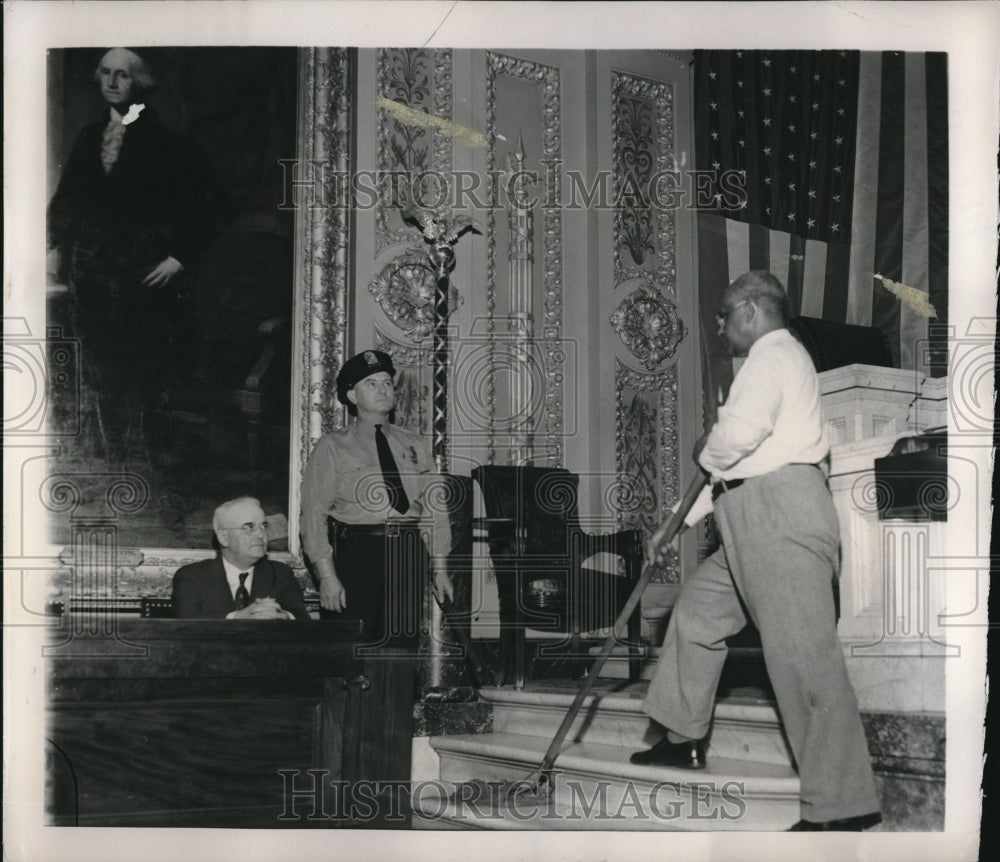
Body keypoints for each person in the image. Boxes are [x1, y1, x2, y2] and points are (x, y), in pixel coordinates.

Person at [630, 271, 882, 831]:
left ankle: (843, 808)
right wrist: (673, 525)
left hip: (779, 513)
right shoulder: (765, 363)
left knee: (802, 658)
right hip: (747, 511)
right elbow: (729, 471)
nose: (719, 327)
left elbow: (733, 441)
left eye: (724, 316)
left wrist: (705, 444)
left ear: (749, 310)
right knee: (696, 614)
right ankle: (683, 738)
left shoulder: (774, 355)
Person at [47, 47, 225, 461]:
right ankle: (112, 459)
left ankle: (151, 464)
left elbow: (212, 207)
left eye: (122, 75)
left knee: (147, 373)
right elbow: (67, 202)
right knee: (99, 371)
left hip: (144, 278)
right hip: (92, 277)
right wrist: (51, 247)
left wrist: (179, 258)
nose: (112, 82)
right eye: (106, 73)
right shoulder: (89, 138)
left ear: (140, 83)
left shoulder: (169, 144)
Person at [300, 350, 453, 644]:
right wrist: (327, 576)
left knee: (401, 649)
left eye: (387, 383)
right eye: (371, 383)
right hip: (359, 552)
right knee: (352, 647)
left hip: (408, 553)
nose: (383, 390)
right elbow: (313, 514)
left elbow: (436, 510)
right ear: (352, 396)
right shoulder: (333, 446)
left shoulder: (415, 445)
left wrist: (440, 568)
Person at [172, 496, 309, 620]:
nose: (261, 535)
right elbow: (187, 621)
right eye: (249, 527)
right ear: (224, 538)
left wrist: (282, 616)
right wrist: (237, 617)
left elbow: (301, 617)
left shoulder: (280, 574)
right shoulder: (192, 576)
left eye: (263, 526)